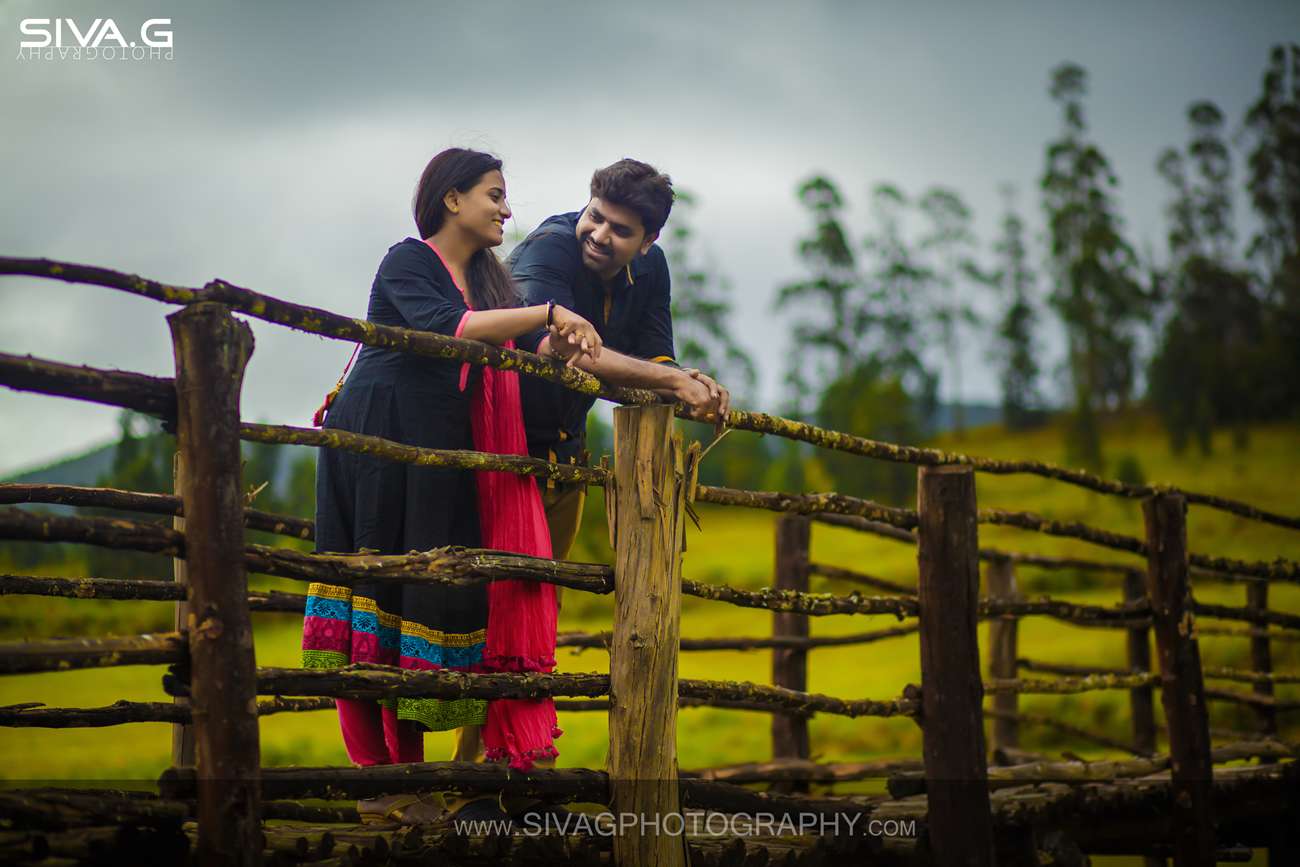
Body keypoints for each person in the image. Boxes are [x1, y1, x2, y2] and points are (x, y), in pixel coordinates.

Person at [299, 148, 601, 825]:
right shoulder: (407, 261)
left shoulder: (493, 286)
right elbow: (446, 331)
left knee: (415, 599)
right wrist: (548, 313)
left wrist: (556, 345)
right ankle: (377, 781)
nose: (507, 208)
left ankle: (413, 778)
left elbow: (513, 355)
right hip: (377, 445)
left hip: (436, 455)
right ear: (451, 199)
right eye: (494, 194)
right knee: (371, 597)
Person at [507, 158, 731, 563]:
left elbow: (657, 355)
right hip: (498, 450)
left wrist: (689, 378)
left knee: (543, 596)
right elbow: (566, 350)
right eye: (595, 216)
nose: (599, 234)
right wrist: (674, 382)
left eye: (621, 230)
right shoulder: (550, 246)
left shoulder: (653, 267)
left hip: (566, 454)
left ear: (649, 241)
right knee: (485, 593)